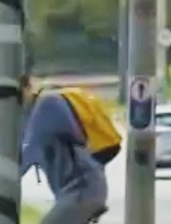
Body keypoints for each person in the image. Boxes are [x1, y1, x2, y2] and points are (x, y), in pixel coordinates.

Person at [19, 75, 109, 224]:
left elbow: (23, 159)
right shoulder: (29, 116)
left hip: (82, 188)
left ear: (27, 88)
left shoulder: (46, 105)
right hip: (74, 190)